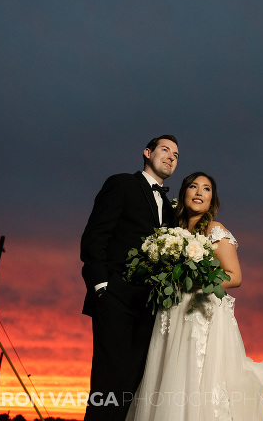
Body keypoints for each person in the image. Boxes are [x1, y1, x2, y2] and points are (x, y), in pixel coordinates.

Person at [127, 171, 263, 421]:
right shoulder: (171, 232)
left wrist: (197, 279)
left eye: (206, 189)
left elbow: (235, 276)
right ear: (184, 193)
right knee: (167, 373)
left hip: (201, 314)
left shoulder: (216, 230)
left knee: (197, 377)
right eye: (193, 187)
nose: (199, 192)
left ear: (212, 199)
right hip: (172, 311)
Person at [81, 135, 179, 421]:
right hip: (115, 298)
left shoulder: (171, 209)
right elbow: (95, 235)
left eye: (176, 154)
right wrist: (101, 286)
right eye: (165, 150)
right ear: (147, 152)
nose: (171, 157)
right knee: (107, 381)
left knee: (132, 386)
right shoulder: (122, 183)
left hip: (149, 307)